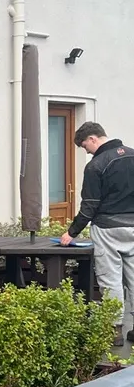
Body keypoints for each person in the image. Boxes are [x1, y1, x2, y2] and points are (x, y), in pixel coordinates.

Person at [60, 122, 134, 347]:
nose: (86, 151)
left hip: (107, 228)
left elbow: (90, 205)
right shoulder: (132, 155)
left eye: (84, 146)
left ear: (92, 139)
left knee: (110, 279)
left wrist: (71, 233)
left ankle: (115, 331)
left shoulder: (96, 166)